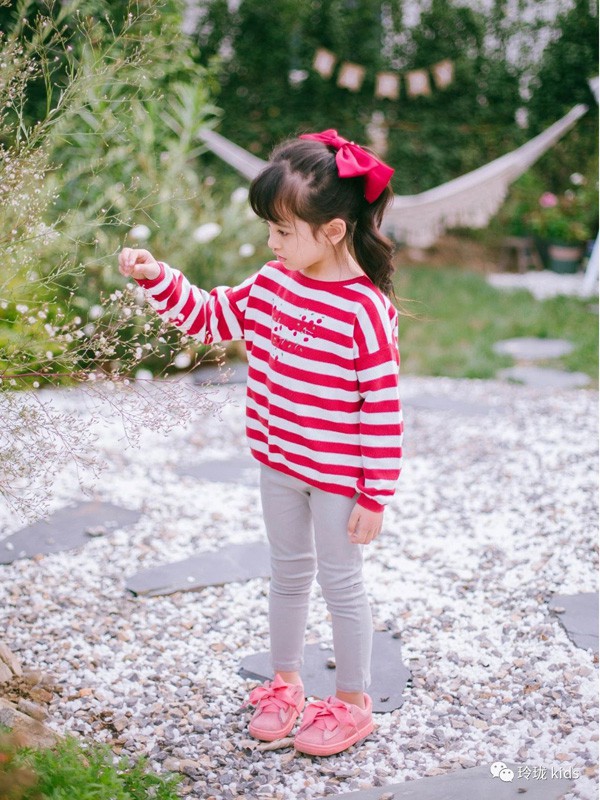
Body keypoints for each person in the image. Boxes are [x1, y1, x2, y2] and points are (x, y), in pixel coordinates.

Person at [118, 129, 403, 757]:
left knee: (341, 584)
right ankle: (285, 683)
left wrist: (374, 494)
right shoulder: (275, 282)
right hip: (278, 462)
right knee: (287, 574)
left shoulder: (363, 310)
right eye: (270, 229)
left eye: (282, 231)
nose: (271, 243)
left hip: (338, 478)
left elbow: (382, 408)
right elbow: (210, 317)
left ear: (332, 230)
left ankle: (352, 702)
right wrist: (158, 278)